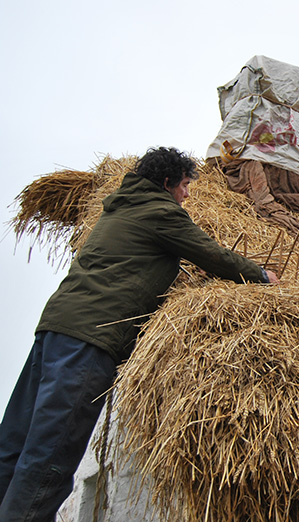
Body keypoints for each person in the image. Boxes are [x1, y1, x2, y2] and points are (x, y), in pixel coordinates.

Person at [0, 147, 278, 521]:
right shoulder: (161, 211)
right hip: (90, 339)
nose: (187, 194)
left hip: (54, 330)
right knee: (50, 453)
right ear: (167, 183)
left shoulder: (118, 208)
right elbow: (210, 253)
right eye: (183, 185)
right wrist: (261, 275)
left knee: (13, 444)